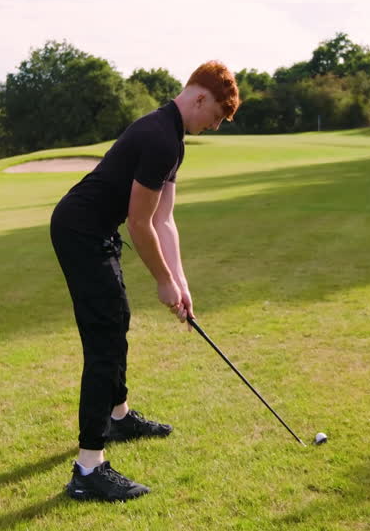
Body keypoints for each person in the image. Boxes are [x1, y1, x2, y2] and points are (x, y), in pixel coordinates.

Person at [50, 61, 240, 502]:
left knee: (118, 322)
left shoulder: (172, 138)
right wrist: (162, 282)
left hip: (95, 231)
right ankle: (88, 469)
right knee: (104, 343)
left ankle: (118, 417)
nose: (209, 127)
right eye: (212, 118)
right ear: (199, 98)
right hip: (80, 231)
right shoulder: (158, 136)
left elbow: (164, 219)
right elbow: (139, 224)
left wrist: (180, 281)